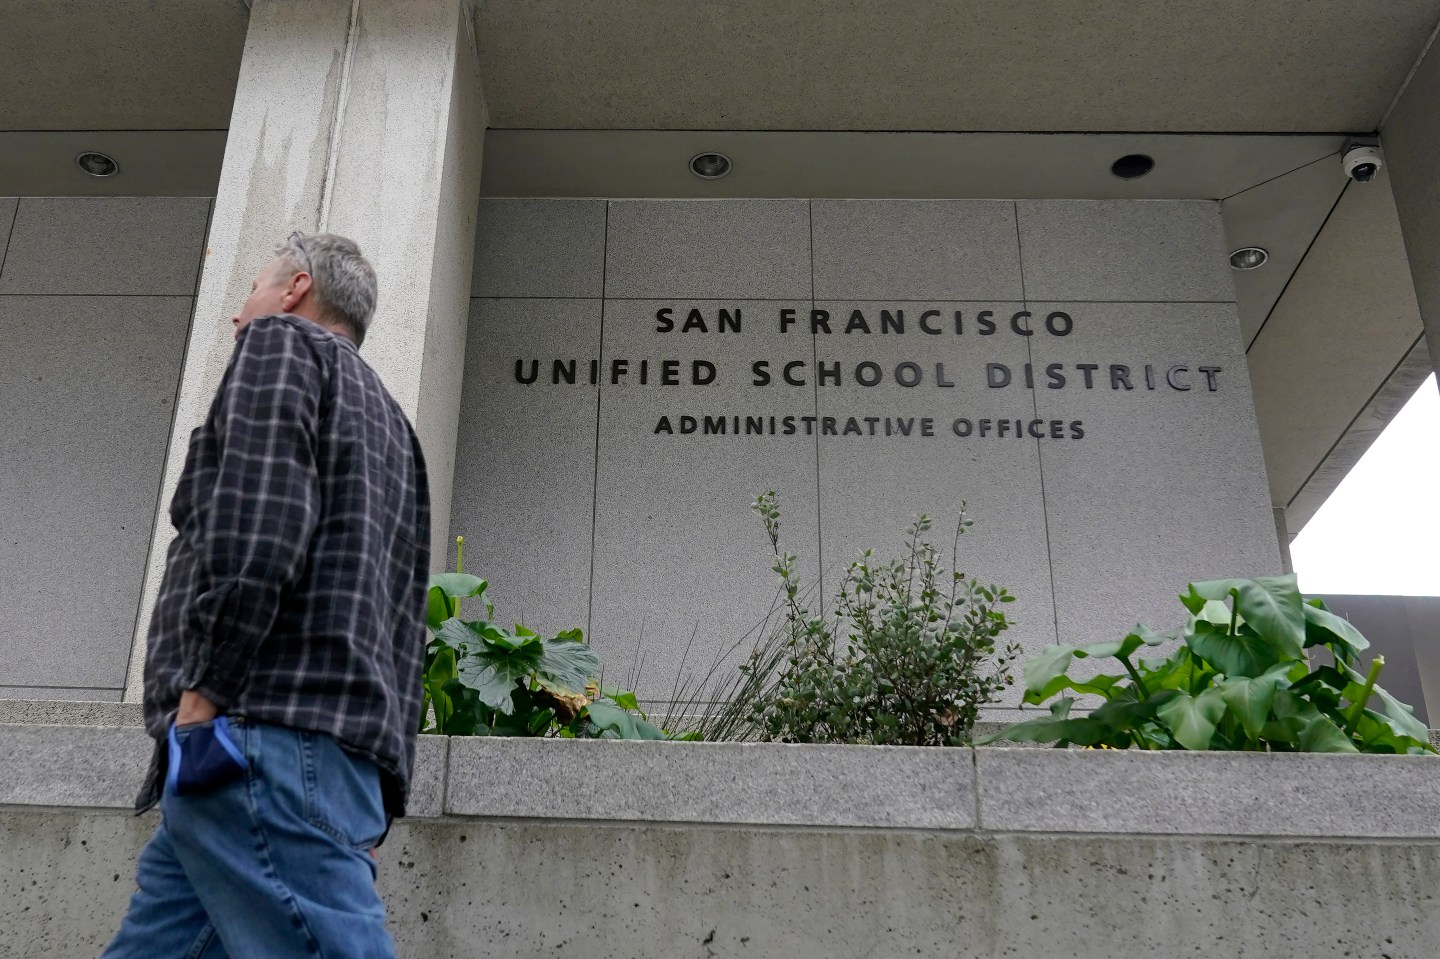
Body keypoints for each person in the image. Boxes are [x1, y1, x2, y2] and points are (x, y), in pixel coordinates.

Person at [102, 233, 431, 958]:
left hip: (255, 734)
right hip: (325, 754)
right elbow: (404, 620)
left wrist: (201, 701)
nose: (237, 314)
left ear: (295, 289)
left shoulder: (281, 347)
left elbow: (258, 528)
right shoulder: (394, 428)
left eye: (251, 288)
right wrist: (375, 794)